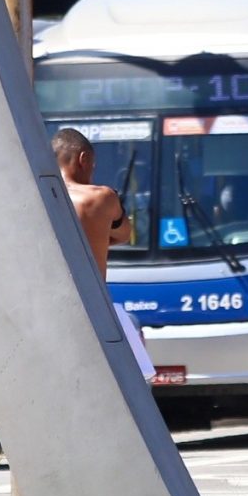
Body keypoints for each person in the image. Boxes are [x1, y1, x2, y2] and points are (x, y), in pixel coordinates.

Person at [54, 126, 155, 379]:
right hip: (92, 305)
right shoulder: (101, 198)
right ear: (83, 159)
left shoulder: (35, 196)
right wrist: (96, 238)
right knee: (134, 378)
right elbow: (125, 234)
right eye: (93, 165)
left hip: (48, 307)